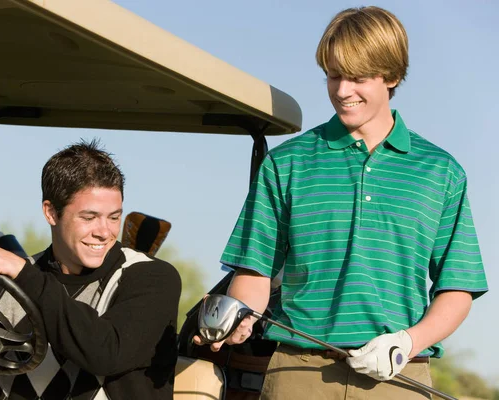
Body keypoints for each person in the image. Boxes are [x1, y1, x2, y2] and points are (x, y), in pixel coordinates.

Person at [194, 6, 488, 400]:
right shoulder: (288, 162)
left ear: (393, 76)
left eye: (358, 78)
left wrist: (407, 342)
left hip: (399, 379)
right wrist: (242, 316)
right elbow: (255, 270)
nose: (343, 90)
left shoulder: (441, 172)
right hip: (296, 373)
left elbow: (458, 289)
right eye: (334, 76)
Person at [0, 139, 182, 400]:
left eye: (114, 217)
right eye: (89, 217)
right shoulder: (11, 281)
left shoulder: (152, 278)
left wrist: (23, 273)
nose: (105, 232)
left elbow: (104, 353)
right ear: (51, 213)